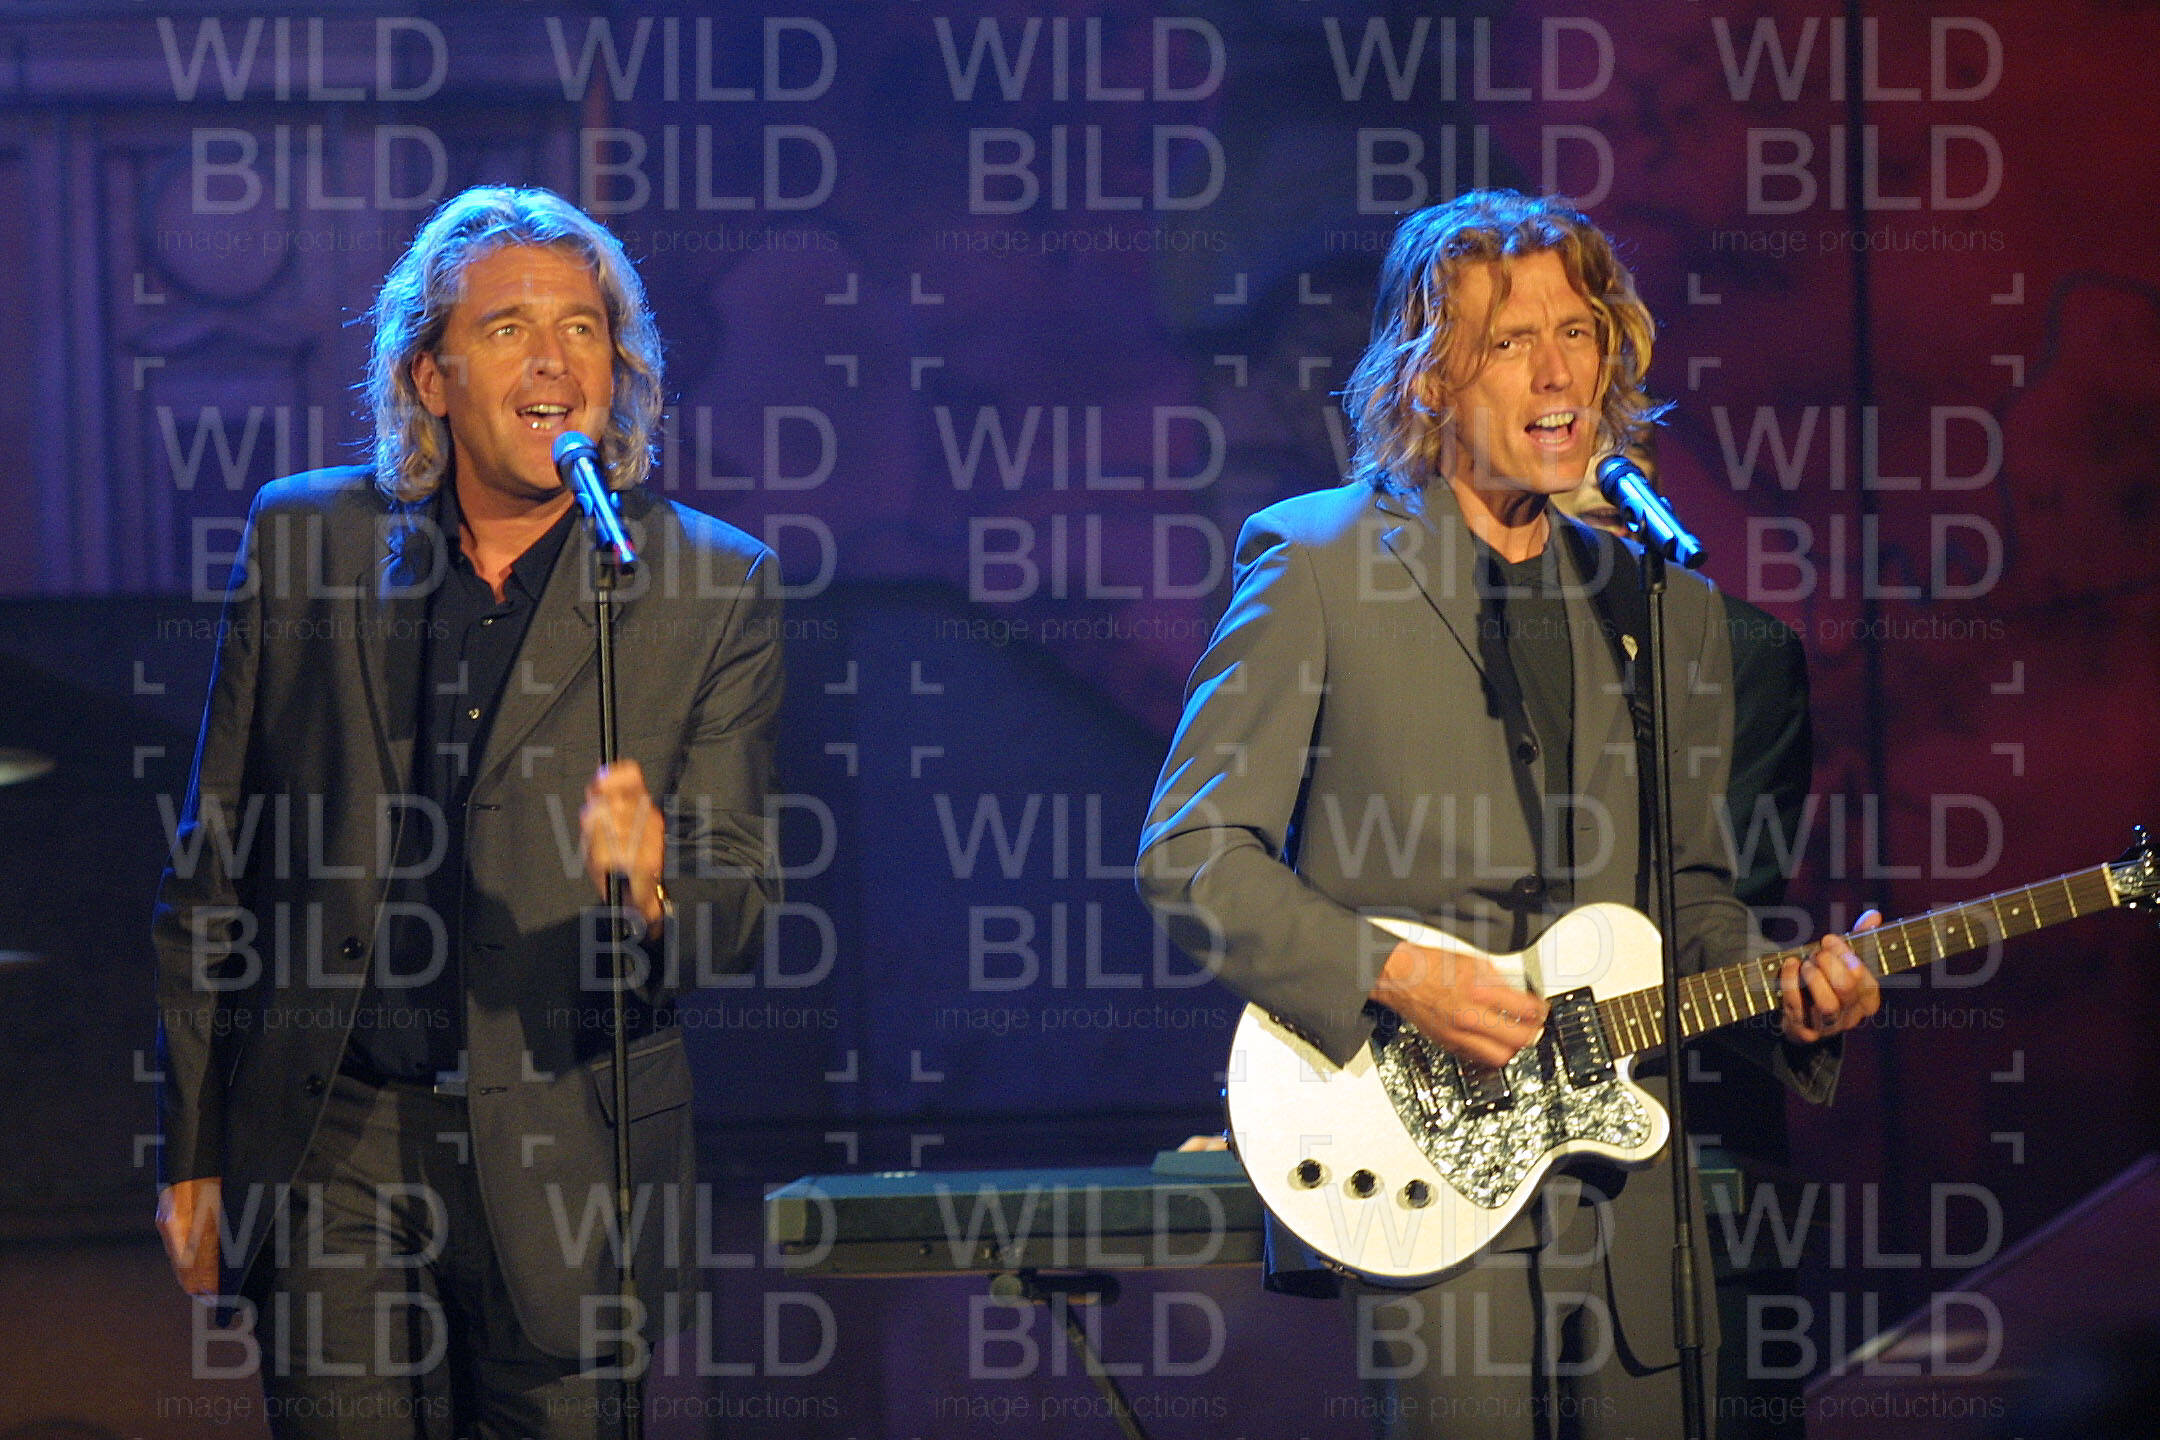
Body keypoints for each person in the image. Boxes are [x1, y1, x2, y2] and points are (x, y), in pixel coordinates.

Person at [1137, 190, 1878, 1437]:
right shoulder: (1317, 561)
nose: (1558, 373)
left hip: (1632, 1204)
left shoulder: (1666, 609)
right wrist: (1396, 972)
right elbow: (1193, 853)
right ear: (1430, 376)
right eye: (1510, 341)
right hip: (1423, 1179)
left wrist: (1790, 994)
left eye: (1578, 334)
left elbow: (1692, 898)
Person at [152, 186, 784, 1436]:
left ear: (620, 369)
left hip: (568, 1159)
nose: (554, 360)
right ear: (428, 378)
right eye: (507, 329)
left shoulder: (710, 583)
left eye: (583, 329)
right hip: (336, 1139)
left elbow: (739, 906)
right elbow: (212, 868)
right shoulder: (306, 542)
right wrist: (194, 1147)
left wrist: (656, 887)